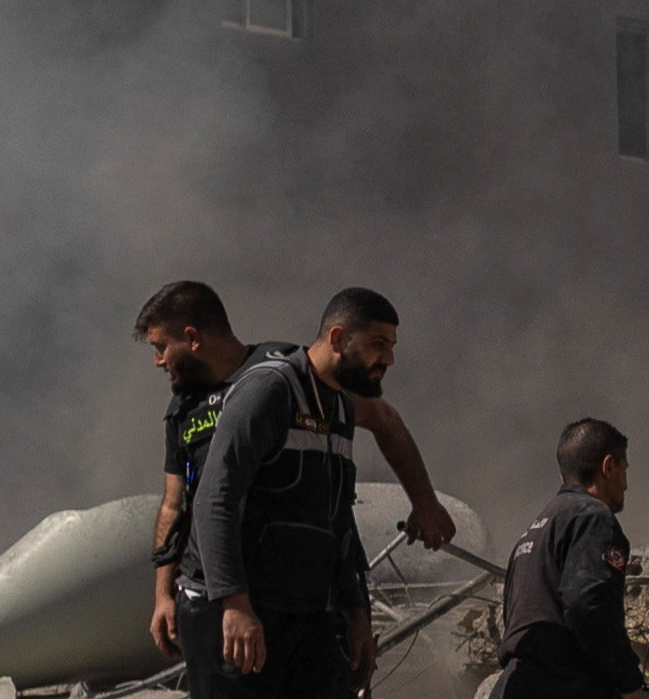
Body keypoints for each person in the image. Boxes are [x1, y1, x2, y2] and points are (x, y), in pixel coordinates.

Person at [157, 288, 420, 699]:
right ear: (338, 337)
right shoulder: (268, 389)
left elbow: (336, 526)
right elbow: (215, 496)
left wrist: (357, 615)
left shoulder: (338, 410)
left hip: (307, 614)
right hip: (232, 609)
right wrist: (234, 604)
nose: (388, 359)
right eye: (378, 345)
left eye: (391, 346)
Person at [140, 281, 454, 664]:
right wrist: (163, 595)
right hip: (224, 599)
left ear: (191, 338)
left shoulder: (285, 377)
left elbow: (383, 419)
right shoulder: (183, 410)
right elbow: (176, 505)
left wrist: (424, 503)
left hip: (303, 596)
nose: (158, 361)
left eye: (160, 347)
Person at [488, 423, 649, 699]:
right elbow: (588, 606)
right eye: (626, 470)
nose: (627, 485)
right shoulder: (594, 518)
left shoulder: (536, 530)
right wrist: (629, 684)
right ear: (608, 466)